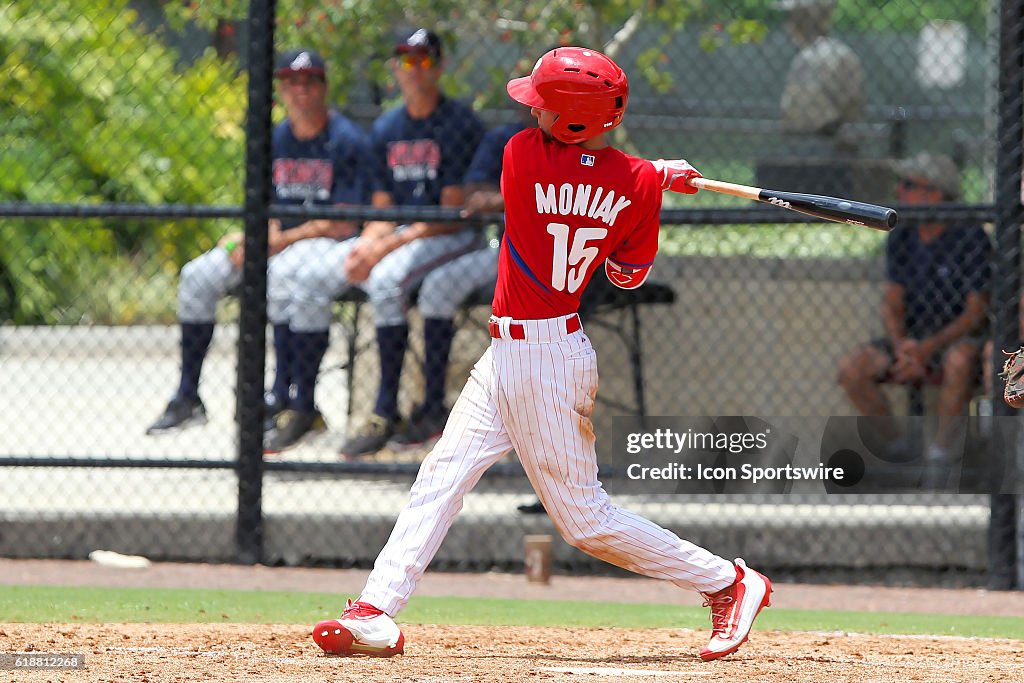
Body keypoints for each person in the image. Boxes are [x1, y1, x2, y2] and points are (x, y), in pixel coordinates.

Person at [311, 46, 772, 662]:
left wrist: (645, 173)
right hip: (520, 350)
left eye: (544, 104)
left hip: (543, 364)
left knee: (585, 522)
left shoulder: (519, 157)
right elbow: (627, 273)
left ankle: (728, 582)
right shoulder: (635, 184)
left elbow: (576, 170)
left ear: (571, 119)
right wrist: (652, 180)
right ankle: (375, 609)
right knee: (442, 474)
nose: (531, 111)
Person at [147, 49, 367, 435]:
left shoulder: (346, 140)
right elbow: (263, 207)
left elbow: (343, 221)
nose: (300, 90)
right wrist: (250, 238)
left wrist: (280, 240)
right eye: (291, 81)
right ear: (281, 88)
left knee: (283, 273)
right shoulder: (275, 139)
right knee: (197, 275)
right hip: (277, 241)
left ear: (324, 86)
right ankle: (187, 396)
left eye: (310, 80)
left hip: (324, 244)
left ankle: (283, 395)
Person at [317, 28, 485, 458]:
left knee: (389, 279)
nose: (415, 69)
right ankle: (413, 409)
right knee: (374, 269)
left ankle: (388, 408)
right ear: (395, 68)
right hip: (406, 239)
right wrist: (367, 244)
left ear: (440, 65)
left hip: (456, 236)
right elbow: (382, 207)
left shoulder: (458, 123)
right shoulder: (388, 127)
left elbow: (448, 214)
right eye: (406, 60)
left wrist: (385, 247)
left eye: (424, 59)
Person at [836, 152, 992, 464]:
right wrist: (903, 347)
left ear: (934, 194)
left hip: (956, 337)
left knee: (960, 361)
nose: (900, 192)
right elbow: (892, 303)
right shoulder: (902, 234)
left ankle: (941, 456)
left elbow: (976, 312)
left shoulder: (969, 235)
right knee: (852, 369)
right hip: (912, 337)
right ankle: (900, 449)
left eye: (908, 185)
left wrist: (929, 347)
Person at [382, 120, 527, 451]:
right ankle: (434, 406)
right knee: (439, 286)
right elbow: (476, 197)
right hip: (509, 249)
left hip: (565, 260)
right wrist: (528, 190)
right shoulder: (505, 136)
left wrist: (509, 194)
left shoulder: (584, 138)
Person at [776, 0, 865, 151]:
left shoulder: (810, 56)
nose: (788, 24)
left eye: (792, 17)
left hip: (823, 140)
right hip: (828, 139)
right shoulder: (840, 52)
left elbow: (795, 109)